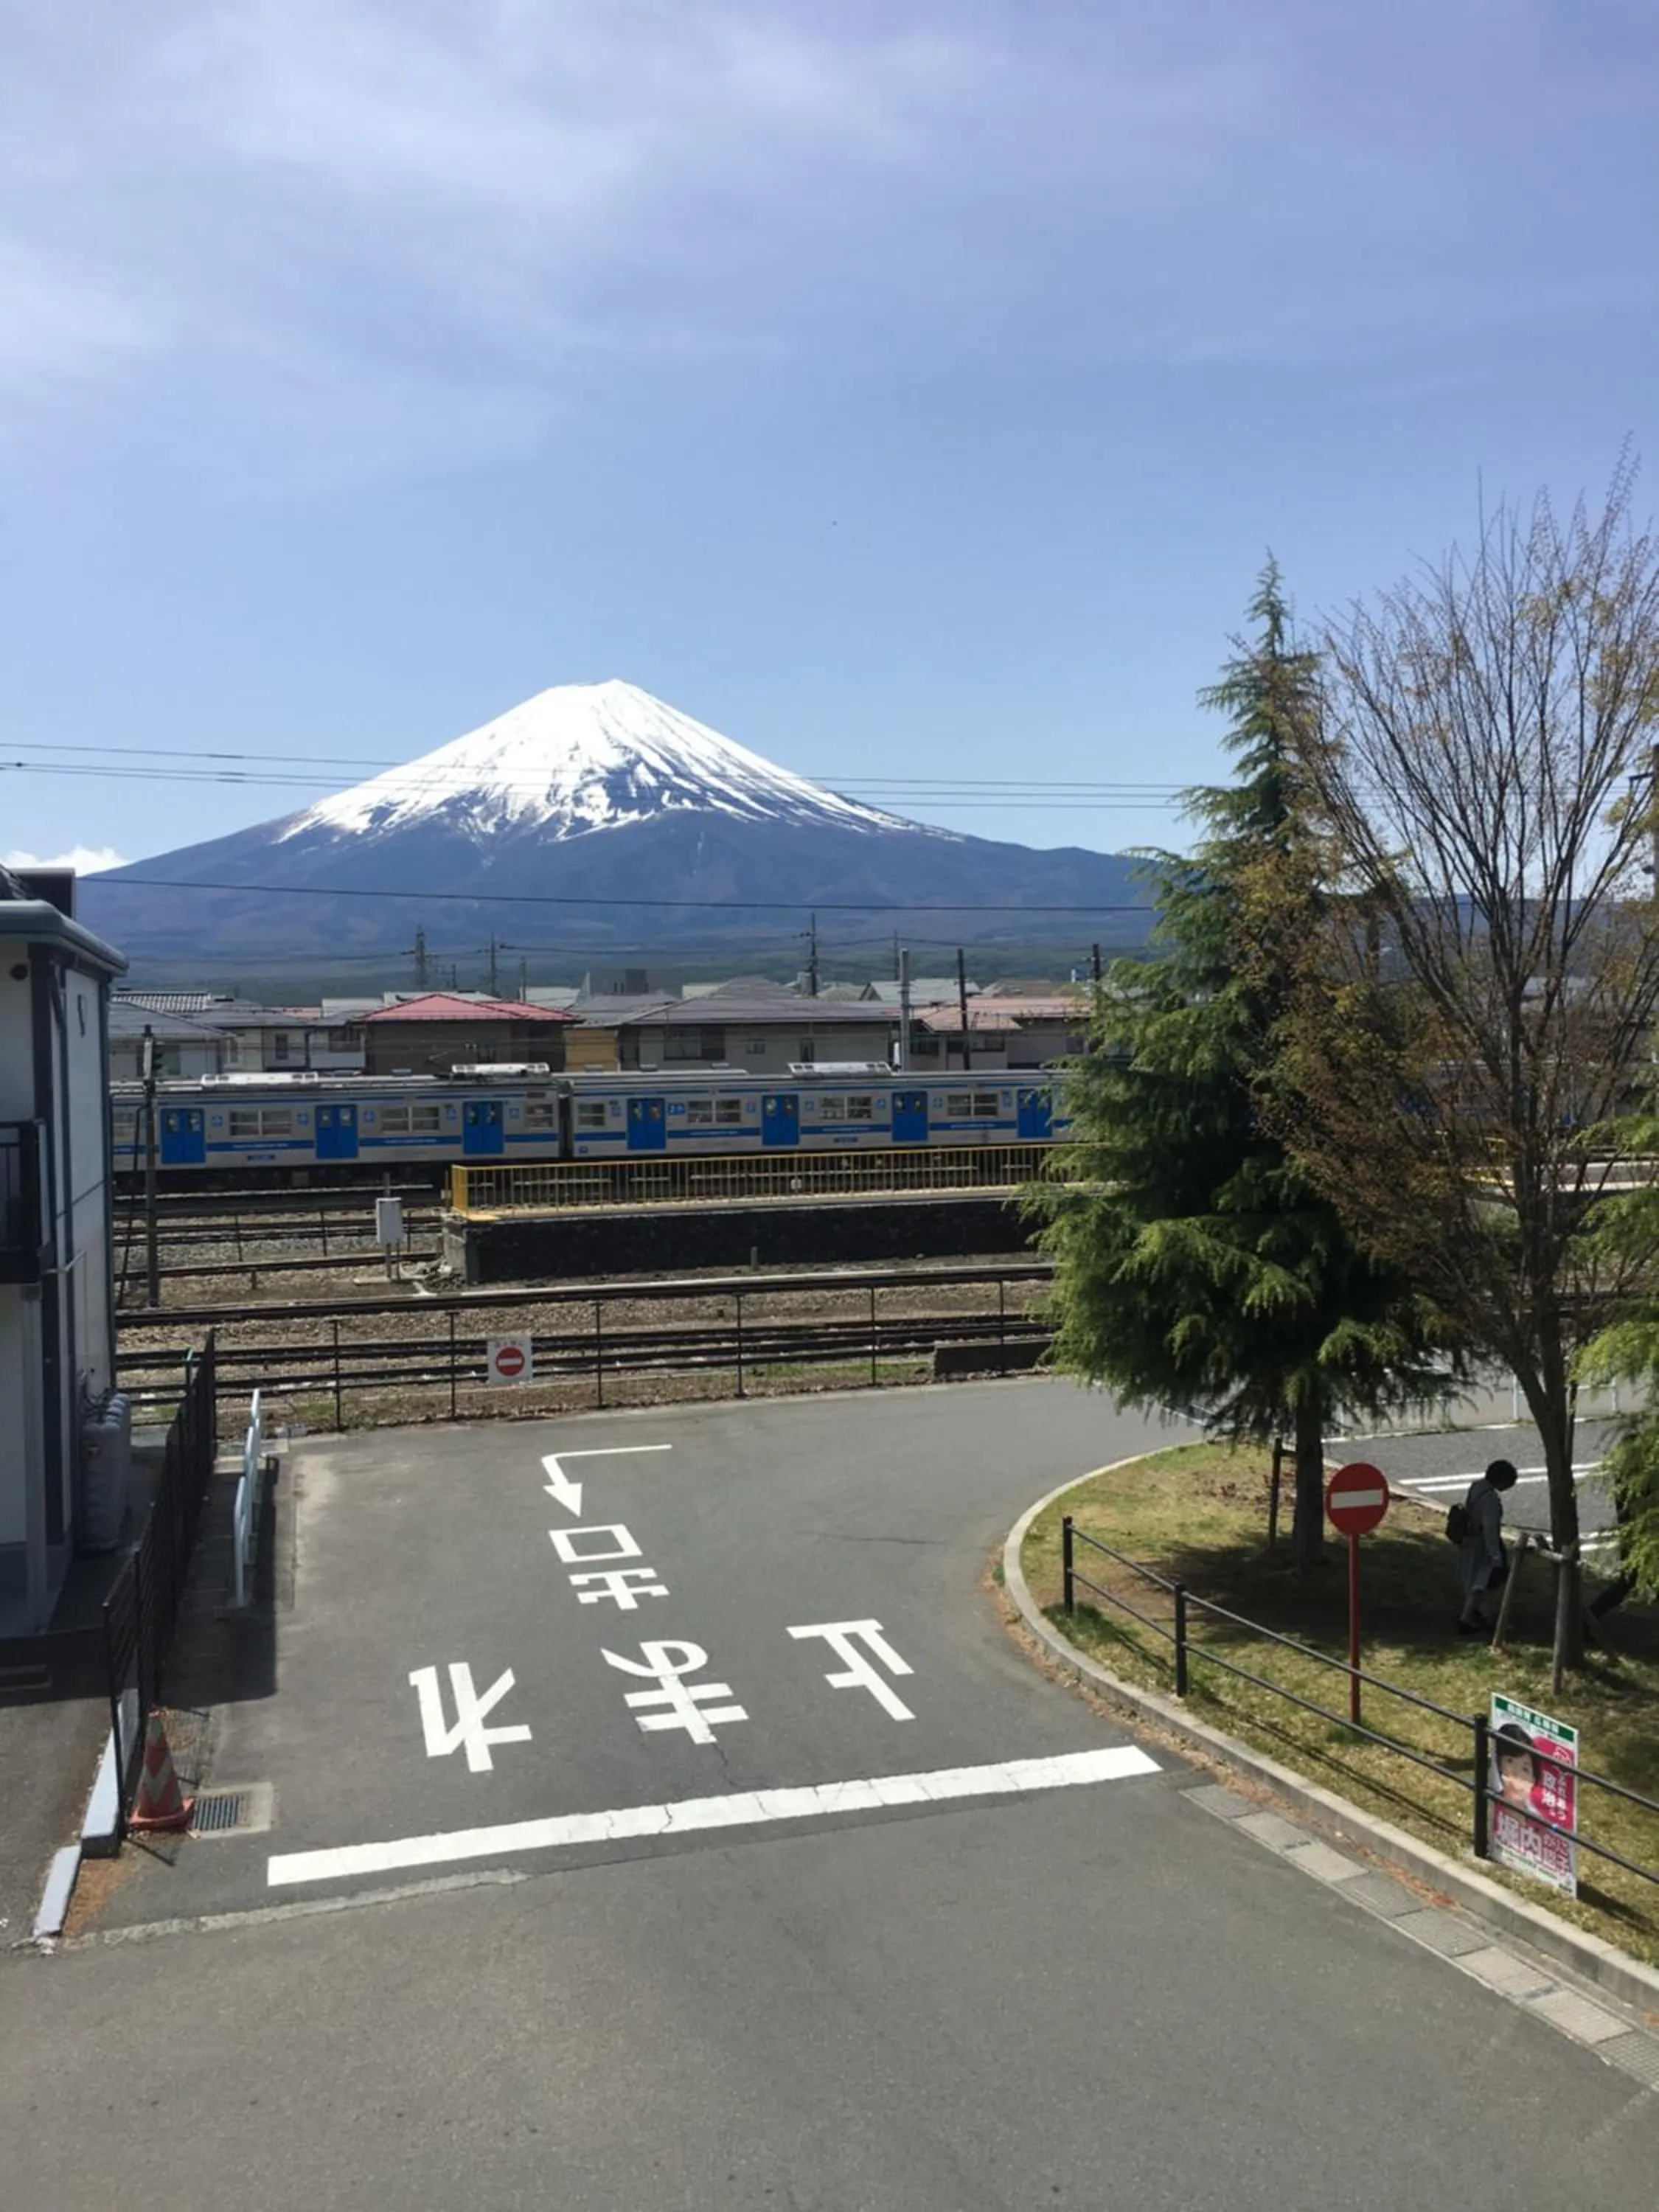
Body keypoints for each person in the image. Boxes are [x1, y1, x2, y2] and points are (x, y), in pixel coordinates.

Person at [1456, 1457, 1519, 1635]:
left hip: (1470, 1541)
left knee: (1474, 1582)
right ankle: (1467, 1619)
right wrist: (1495, 1555)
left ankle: (1480, 1616)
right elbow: (1490, 1529)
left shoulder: (1477, 1487)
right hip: (1482, 1546)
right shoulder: (1490, 1500)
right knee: (1481, 1584)